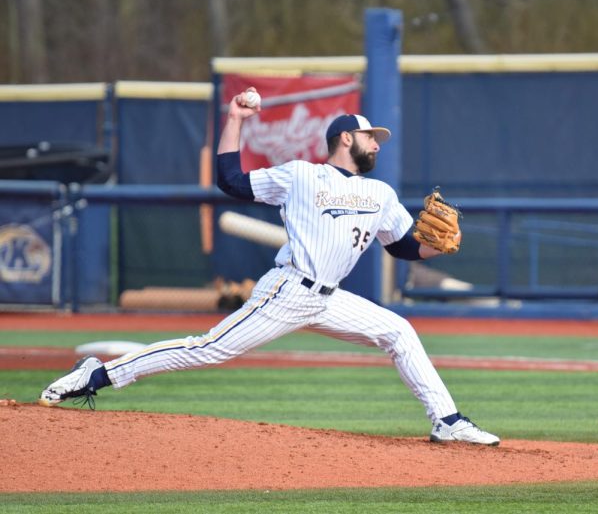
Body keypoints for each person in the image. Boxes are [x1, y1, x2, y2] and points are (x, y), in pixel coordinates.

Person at [39, 87, 500, 446]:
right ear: (345, 138)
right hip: (288, 290)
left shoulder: (381, 195)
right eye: (369, 136)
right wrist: (236, 120)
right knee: (208, 349)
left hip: (329, 299)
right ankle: (97, 374)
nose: (376, 145)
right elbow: (231, 181)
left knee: (399, 332)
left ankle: (447, 421)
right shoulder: (300, 174)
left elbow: (402, 248)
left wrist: (435, 249)